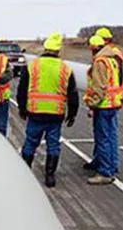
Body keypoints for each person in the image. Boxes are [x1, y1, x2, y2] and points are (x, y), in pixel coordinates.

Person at [17, 32, 78, 188]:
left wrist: (22, 109)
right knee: (53, 145)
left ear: (45, 48)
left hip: (35, 113)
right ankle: (50, 176)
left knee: (30, 143)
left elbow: (22, 90)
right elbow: (72, 94)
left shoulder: (32, 66)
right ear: (58, 50)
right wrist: (72, 114)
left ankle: (24, 174)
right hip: (55, 116)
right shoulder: (65, 69)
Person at [83, 34, 123, 185]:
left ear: (93, 48)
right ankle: (110, 165)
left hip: (103, 105)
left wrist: (92, 105)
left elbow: (99, 87)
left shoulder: (100, 62)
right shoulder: (112, 59)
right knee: (110, 137)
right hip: (112, 103)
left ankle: (105, 172)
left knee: (103, 139)